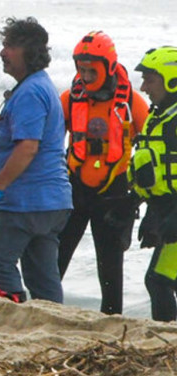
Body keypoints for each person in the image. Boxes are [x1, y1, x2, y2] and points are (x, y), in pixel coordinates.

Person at [0, 17, 71, 303]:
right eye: (4, 44)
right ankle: (52, 324)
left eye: (10, 46)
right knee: (43, 276)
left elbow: (28, 148)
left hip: (27, 201)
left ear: (30, 52)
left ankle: (15, 316)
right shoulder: (40, 85)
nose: (3, 52)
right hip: (54, 202)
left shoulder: (31, 92)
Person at [56, 31, 148, 315]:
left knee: (110, 267)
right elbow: (46, 143)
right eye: (80, 69)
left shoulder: (133, 103)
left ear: (108, 67)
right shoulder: (68, 100)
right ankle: (42, 308)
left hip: (114, 194)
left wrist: (141, 195)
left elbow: (152, 151)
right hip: (74, 190)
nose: (84, 76)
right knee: (54, 258)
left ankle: (111, 319)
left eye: (90, 70)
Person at [127, 46, 177, 321]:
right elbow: (155, 170)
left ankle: (166, 342)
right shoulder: (159, 116)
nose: (143, 87)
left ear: (171, 80)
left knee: (158, 280)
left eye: (149, 79)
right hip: (165, 209)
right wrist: (147, 212)